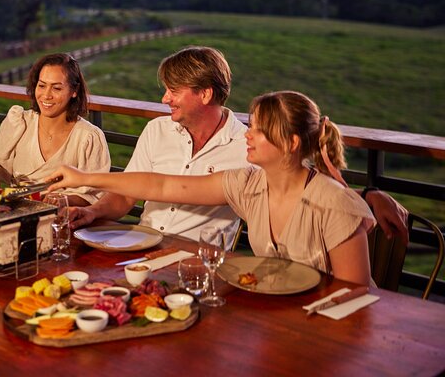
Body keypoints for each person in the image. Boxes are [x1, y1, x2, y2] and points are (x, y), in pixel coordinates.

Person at [65, 46, 408, 246]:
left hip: (199, 264)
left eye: (174, 90)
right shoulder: (158, 130)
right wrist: (93, 210)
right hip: (142, 247)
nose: (164, 98)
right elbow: (143, 189)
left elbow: (309, 185)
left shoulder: (251, 152)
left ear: (205, 94)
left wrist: (367, 196)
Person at [49, 90, 376, 285]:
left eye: (259, 130)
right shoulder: (247, 185)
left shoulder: (334, 204)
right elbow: (161, 184)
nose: (247, 134)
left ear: (290, 143)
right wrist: (84, 177)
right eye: (250, 126)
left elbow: (355, 296)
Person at [0, 53, 110, 206]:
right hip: (17, 213)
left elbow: (95, 196)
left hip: (65, 219)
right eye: (41, 86)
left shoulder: (88, 137)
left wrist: (61, 201)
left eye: (56, 88)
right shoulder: (20, 122)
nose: (46, 95)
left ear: (74, 91)